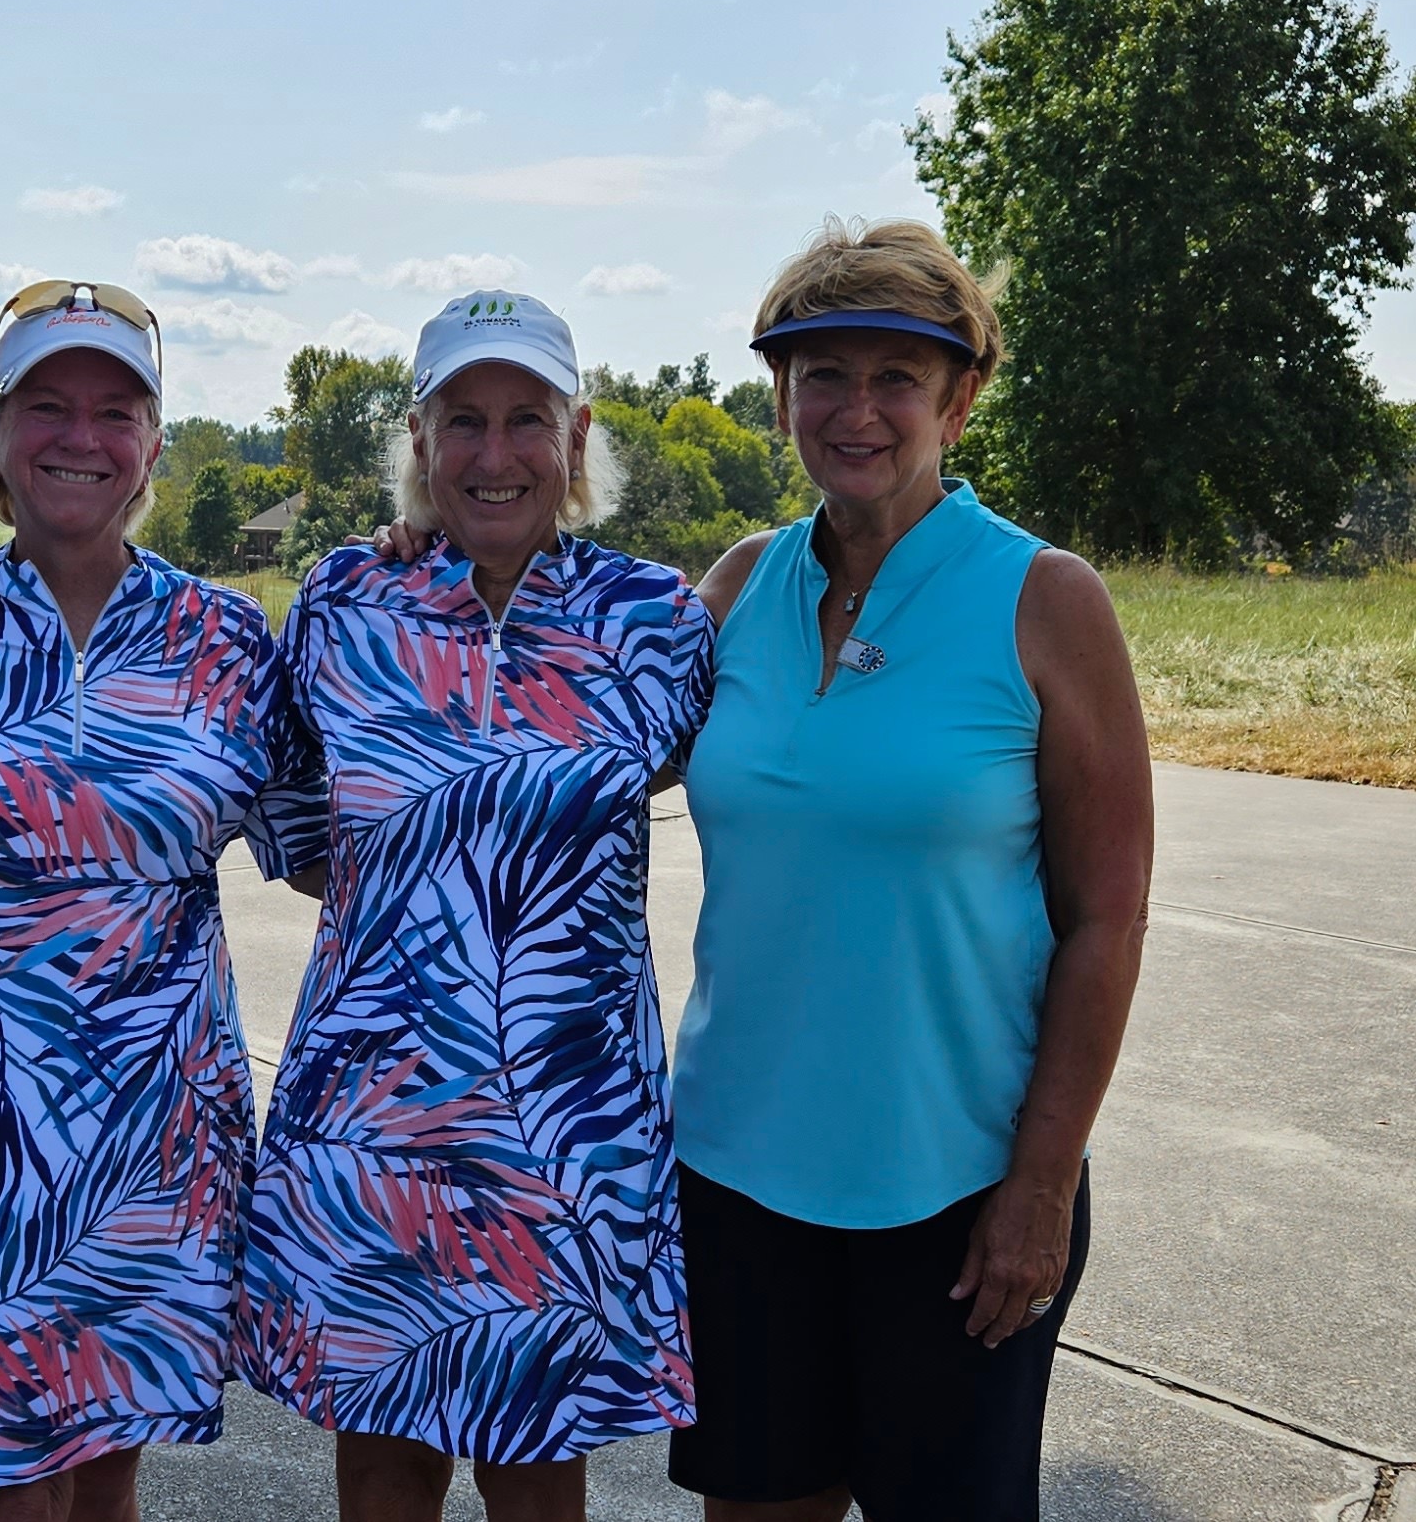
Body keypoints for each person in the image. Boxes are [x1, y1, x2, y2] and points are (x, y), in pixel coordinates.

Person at [665, 217, 1152, 1521]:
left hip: (960, 1189)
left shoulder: (1044, 599)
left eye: (896, 376)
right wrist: (430, 564)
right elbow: (569, 739)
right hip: (735, 1172)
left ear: (960, 397)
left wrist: (1042, 1184)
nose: (856, 409)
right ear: (782, 395)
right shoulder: (738, 585)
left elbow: (1107, 918)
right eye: (822, 374)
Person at [0, 280, 329, 1520]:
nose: (82, 436)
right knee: (5, 1477)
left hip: (164, 1135)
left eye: (117, 411)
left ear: (153, 444)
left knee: (112, 1463)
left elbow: (324, 850)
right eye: (47, 404)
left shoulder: (228, 640)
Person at [244, 292, 714, 1522]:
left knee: (538, 1470)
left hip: (565, 1132)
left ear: (576, 437)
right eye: (463, 420)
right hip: (375, 1125)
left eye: (526, 420)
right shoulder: (343, 603)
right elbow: (304, 839)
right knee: (383, 1470)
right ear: (419, 440)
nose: (494, 453)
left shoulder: (657, 621)